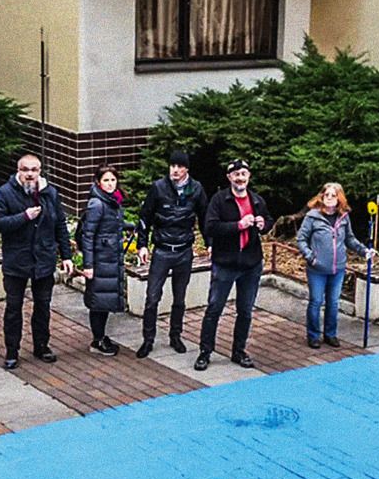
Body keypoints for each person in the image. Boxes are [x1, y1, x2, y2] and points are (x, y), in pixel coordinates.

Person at [0, 153, 73, 367]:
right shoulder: (5, 193)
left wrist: (66, 256)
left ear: (39, 172)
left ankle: (41, 346)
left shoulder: (50, 193)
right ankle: (12, 352)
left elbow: (60, 226)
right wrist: (24, 217)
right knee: (13, 308)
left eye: (34, 170)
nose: (29, 174)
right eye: (25, 170)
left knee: (43, 306)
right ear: (18, 171)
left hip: (43, 260)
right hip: (16, 261)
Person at [195, 158, 268, 371]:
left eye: (243, 174)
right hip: (225, 263)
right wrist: (238, 225)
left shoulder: (257, 201)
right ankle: (205, 352)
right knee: (214, 309)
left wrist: (263, 224)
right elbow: (210, 227)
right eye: (236, 174)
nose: (240, 178)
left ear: (249, 177)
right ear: (229, 178)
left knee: (245, 311)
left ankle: (239, 351)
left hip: (251, 263)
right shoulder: (219, 200)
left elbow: (269, 220)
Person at [135, 150, 207, 358]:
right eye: (172, 166)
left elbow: (204, 217)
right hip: (163, 249)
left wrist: (210, 242)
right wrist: (142, 245)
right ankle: (148, 339)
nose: (175, 170)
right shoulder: (158, 188)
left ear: (186, 169)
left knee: (180, 297)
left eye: (179, 166)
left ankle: (176, 335)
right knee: (152, 297)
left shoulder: (196, 189)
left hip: (184, 250)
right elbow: (145, 217)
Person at [295, 182, 373, 348]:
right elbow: (301, 239)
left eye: (333, 195)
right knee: (316, 301)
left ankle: (330, 334)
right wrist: (310, 257)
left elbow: (350, 239)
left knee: (333, 302)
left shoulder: (343, 217)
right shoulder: (312, 216)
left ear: (340, 199)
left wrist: (364, 251)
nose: (329, 198)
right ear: (321, 197)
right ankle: (313, 335)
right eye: (326, 195)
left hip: (338, 268)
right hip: (317, 269)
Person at [79, 164, 125, 356]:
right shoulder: (97, 204)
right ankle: (97, 340)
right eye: (106, 180)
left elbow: (111, 225)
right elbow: (88, 235)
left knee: (104, 301)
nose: (110, 184)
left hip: (110, 259)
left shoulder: (112, 201)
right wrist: (88, 265)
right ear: (98, 182)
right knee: (98, 301)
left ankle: (100, 336)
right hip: (100, 260)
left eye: (113, 180)